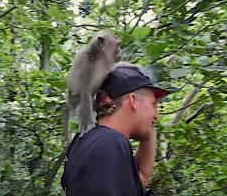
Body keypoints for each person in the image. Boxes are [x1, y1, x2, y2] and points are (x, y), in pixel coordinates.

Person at [61, 64, 169, 196]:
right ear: (133, 100)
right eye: (153, 105)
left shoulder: (91, 141)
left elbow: (140, 180)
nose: (156, 115)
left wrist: (149, 124)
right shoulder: (110, 143)